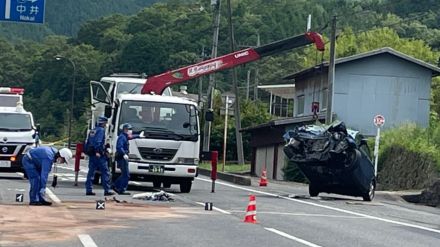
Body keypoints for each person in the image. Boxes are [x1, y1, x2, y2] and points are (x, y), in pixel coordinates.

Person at [85, 116, 115, 196]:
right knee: (105, 171)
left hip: (91, 154)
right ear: (104, 122)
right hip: (98, 155)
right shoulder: (101, 130)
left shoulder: (93, 130)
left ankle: (89, 189)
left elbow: (88, 142)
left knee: (91, 172)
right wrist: (98, 151)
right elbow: (98, 142)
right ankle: (107, 190)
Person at [112, 123, 144, 195]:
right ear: (125, 129)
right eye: (129, 129)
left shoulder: (125, 136)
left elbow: (131, 137)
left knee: (124, 174)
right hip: (122, 157)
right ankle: (121, 189)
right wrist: (124, 154)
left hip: (123, 157)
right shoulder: (122, 137)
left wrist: (138, 136)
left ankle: (116, 186)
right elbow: (119, 147)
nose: (131, 131)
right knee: (126, 175)